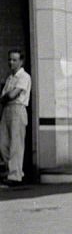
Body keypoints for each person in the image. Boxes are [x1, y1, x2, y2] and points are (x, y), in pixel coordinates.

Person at [0, 50, 31, 188]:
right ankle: (13, 171)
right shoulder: (10, 78)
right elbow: (5, 96)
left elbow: (12, 95)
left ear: (21, 61)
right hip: (7, 110)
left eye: (14, 60)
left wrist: (6, 96)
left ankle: (15, 176)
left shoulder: (24, 77)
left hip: (18, 109)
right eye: (10, 60)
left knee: (16, 145)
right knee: (3, 144)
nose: (11, 62)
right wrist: (6, 97)